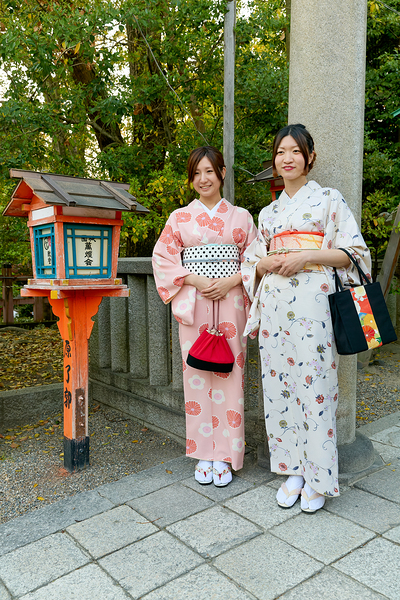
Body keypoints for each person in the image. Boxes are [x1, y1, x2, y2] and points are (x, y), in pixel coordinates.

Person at [242, 124, 371, 512]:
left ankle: (319, 476)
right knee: (279, 386)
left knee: (314, 383)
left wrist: (308, 256)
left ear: (309, 158)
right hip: (276, 309)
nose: (288, 158)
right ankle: (292, 469)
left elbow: (355, 253)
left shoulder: (329, 200)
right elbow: (252, 262)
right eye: (281, 151)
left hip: (314, 306)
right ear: (275, 161)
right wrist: (264, 262)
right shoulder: (268, 213)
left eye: (296, 151)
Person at [152, 146, 256, 486]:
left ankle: (226, 455)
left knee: (232, 374)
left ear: (222, 173)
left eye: (209, 171)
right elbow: (163, 258)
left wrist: (231, 280)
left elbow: (255, 260)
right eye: (196, 173)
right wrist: (194, 278)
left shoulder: (241, 217)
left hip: (232, 301)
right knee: (196, 374)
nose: (203, 179)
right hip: (194, 302)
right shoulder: (179, 218)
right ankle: (203, 453)